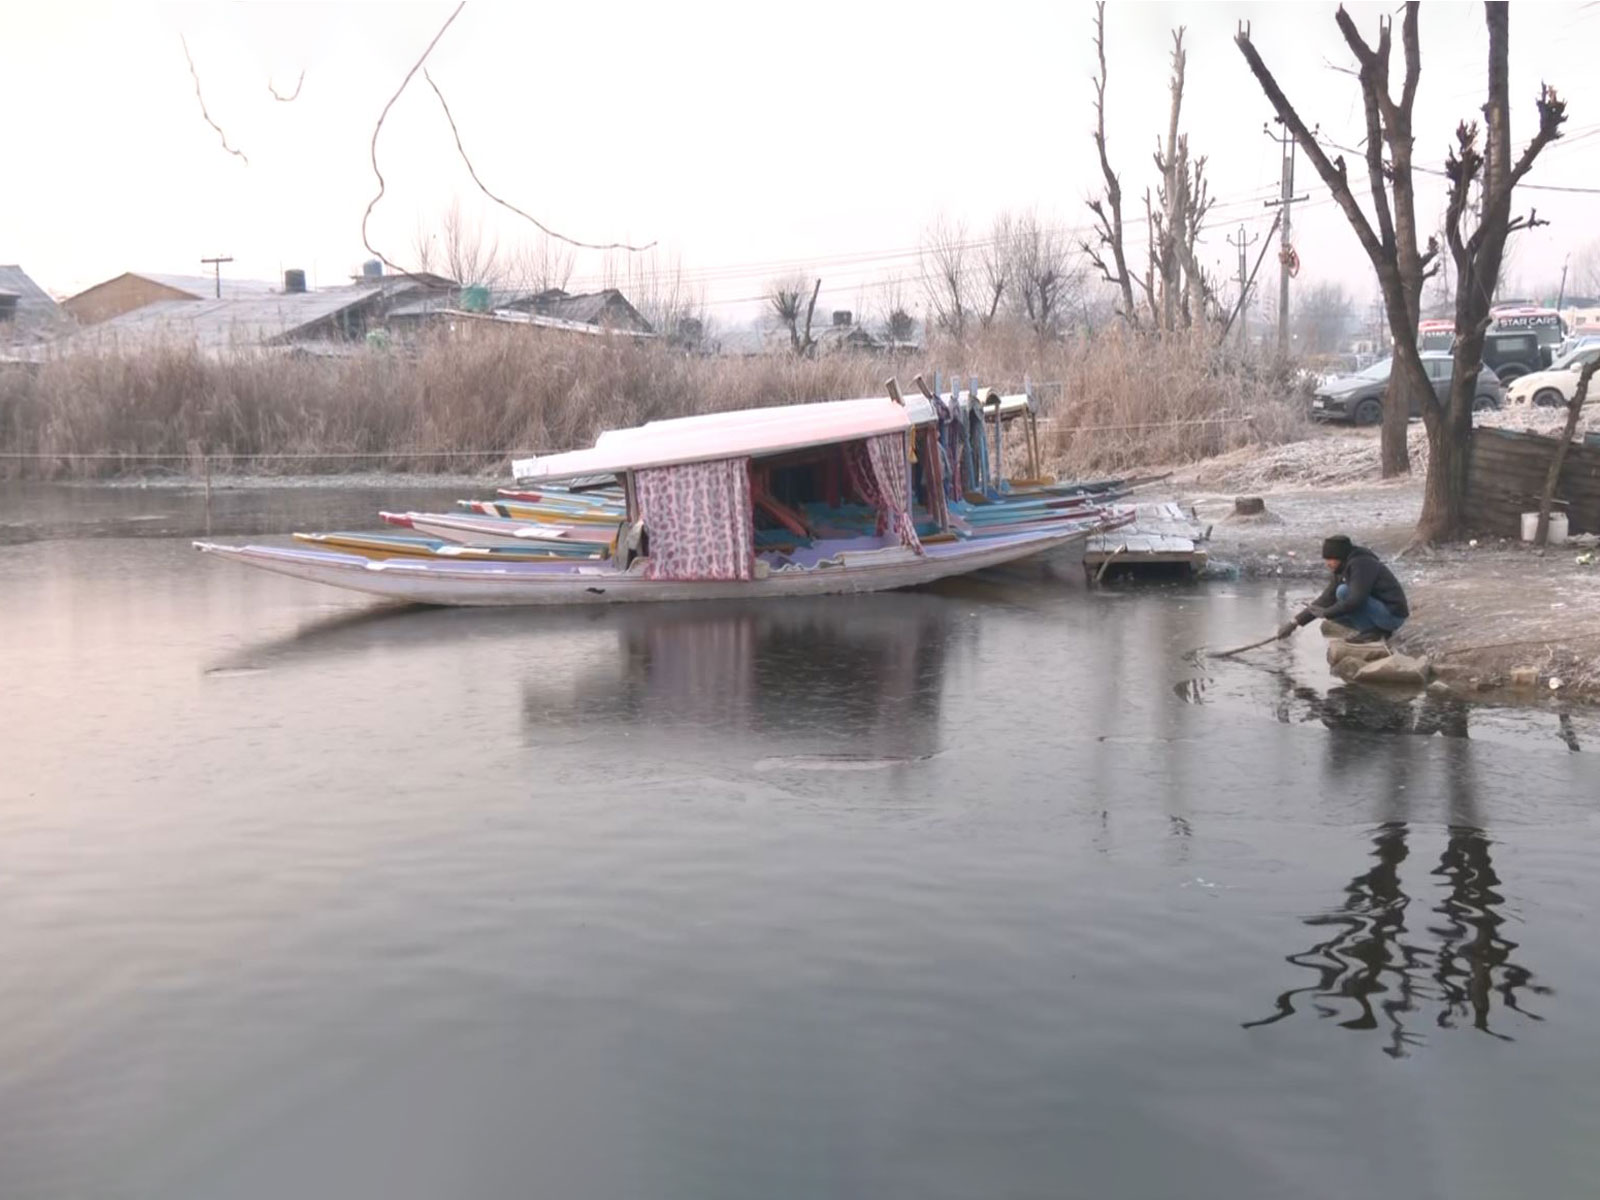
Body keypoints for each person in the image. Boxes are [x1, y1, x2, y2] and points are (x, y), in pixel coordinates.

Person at [1277, 534, 1409, 645]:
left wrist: (1327, 612)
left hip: (1392, 615)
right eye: (1326, 559)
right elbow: (1326, 599)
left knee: (1343, 592)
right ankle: (1373, 632)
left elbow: (1357, 599)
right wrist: (1294, 623)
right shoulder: (1342, 568)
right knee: (1333, 609)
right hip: (1379, 613)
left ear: (1341, 556)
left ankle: (1372, 632)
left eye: (1331, 559)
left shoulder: (1362, 563)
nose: (1327, 563)